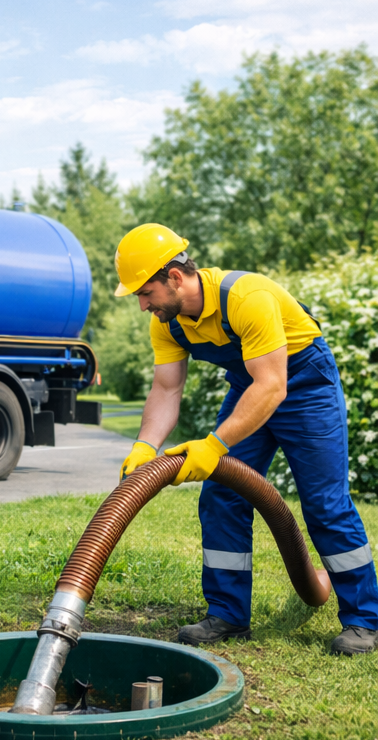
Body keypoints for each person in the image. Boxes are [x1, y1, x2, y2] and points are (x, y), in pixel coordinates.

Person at [115, 223, 378, 655]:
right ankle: (228, 614)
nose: (143, 305)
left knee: (325, 504)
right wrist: (145, 445)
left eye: (145, 293)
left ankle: (365, 622)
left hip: (304, 385)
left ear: (175, 278)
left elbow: (273, 386)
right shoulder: (169, 321)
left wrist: (213, 446)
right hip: (248, 386)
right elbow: (166, 389)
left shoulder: (245, 297)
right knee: (221, 495)